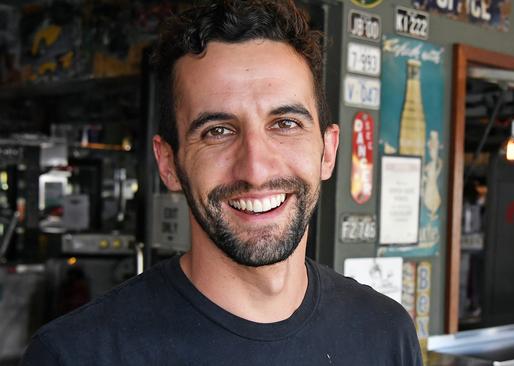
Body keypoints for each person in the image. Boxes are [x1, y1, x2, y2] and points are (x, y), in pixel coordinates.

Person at [21, 1, 422, 365]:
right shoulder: (75, 356)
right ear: (168, 164)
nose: (256, 169)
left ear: (328, 151)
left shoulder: (386, 334)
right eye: (217, 131)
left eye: (285, 124)